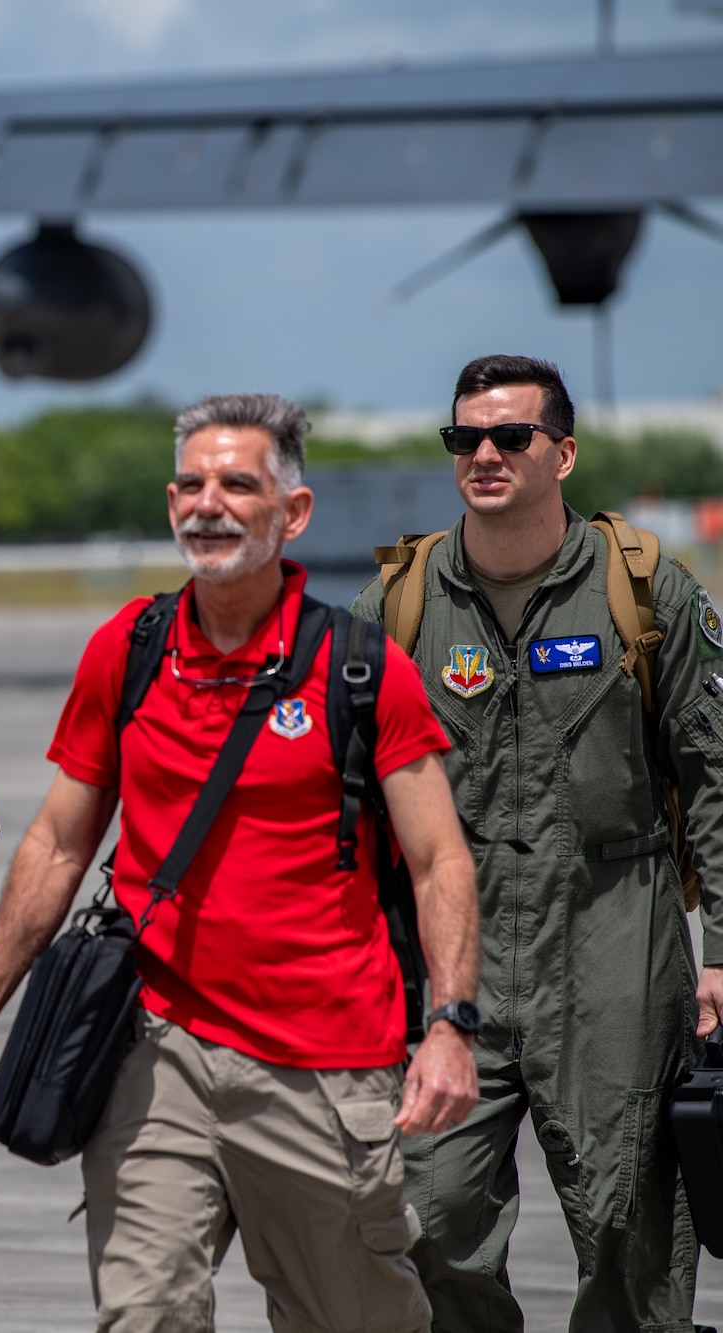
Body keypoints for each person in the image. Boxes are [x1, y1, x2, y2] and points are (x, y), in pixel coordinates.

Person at [0, 393, 482, 1332]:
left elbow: (438, 861)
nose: (206, 504)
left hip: (324, 1063)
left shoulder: (360, 667)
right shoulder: (128, 650)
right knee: (145, 1315)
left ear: (291, 512)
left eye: (237, 484)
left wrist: (452, 1026)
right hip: (156, 1051)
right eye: (190, 483)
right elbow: (59, 843)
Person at [354, 355, 723, 1331]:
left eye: (508, 436)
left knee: (624, 1232)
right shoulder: (398, 605)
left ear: (559, 453)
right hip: (449, 969)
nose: (482, 454)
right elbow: (340, 797)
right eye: (462, 438)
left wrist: (720, 952)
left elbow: (713, 779)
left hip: (609, 950)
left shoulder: (645, 593)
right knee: (427, 1220)